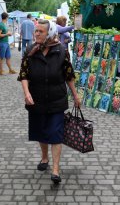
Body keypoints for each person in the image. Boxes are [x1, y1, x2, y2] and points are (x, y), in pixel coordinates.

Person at [18, 19, 81, 185]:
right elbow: (24, 74)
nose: (36, 33)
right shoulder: (31, 50)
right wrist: (26, 93)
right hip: (36, 98)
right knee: (41, 130)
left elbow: (69, 75)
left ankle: (55, 169)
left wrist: (75, 95)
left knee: (55, 134)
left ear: (50, 34)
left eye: (40, 31)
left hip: (56, 99)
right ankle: (44, 157)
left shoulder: (61, 51)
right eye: (36, 31)